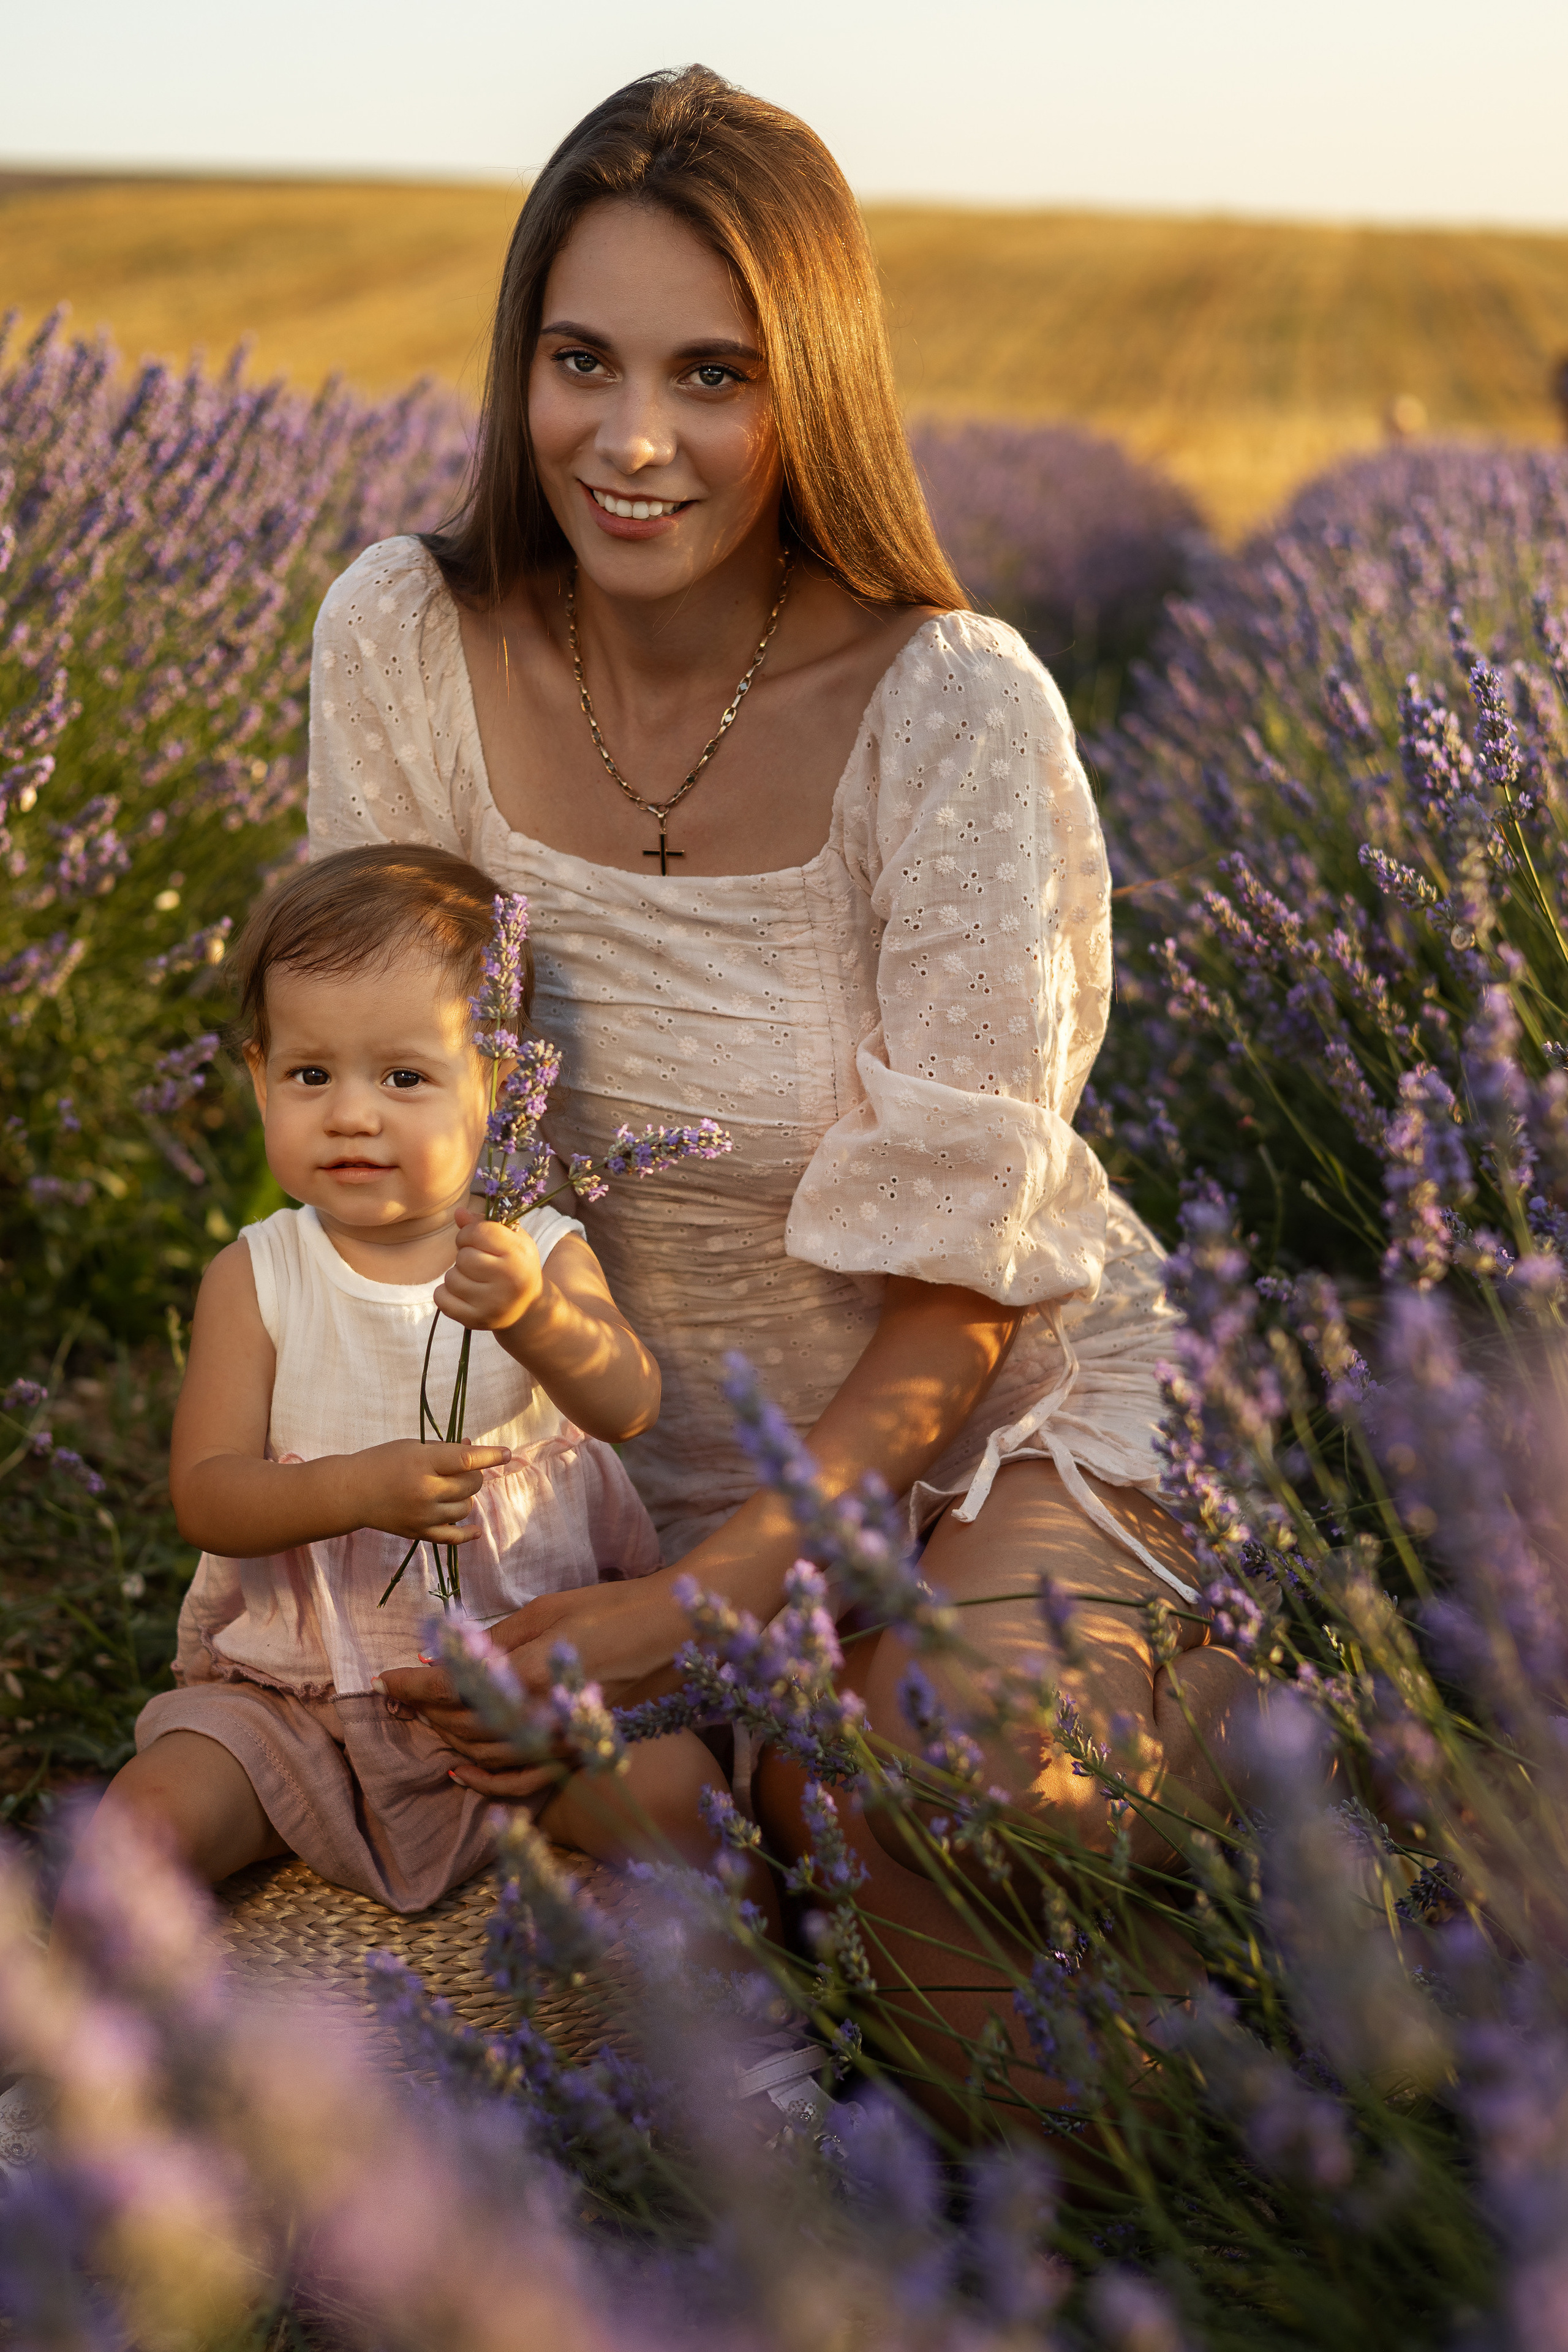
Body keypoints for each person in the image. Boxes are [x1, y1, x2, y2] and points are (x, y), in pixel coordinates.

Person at [306, 66, 1252, 2085]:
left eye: (713, 375)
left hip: (977, 1430)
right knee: (727, 1840)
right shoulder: (403, 640)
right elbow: (375, 1134)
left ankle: (1241, 1760)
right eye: (582, 360)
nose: (632, 441)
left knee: (915, 1785)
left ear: (808, 387)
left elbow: (964, 1295)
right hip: (604, 1475)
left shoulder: (950, 709)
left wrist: (700, 1614)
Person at [57, 845, 774, 1926]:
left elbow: (627, 1404)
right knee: (144, 1819)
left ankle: (764, 2018)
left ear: (497, 1085)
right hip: (293, 1703)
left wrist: (536, 1316)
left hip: (521, 1698)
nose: (352, 1114)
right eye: (311, 1075)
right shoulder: (258, 1275)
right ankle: (73, 2014)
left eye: (403, 1078)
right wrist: (354, 1489)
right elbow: (206, 1494)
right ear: (258, 1077)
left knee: (685, 1804)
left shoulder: (536, 1246)